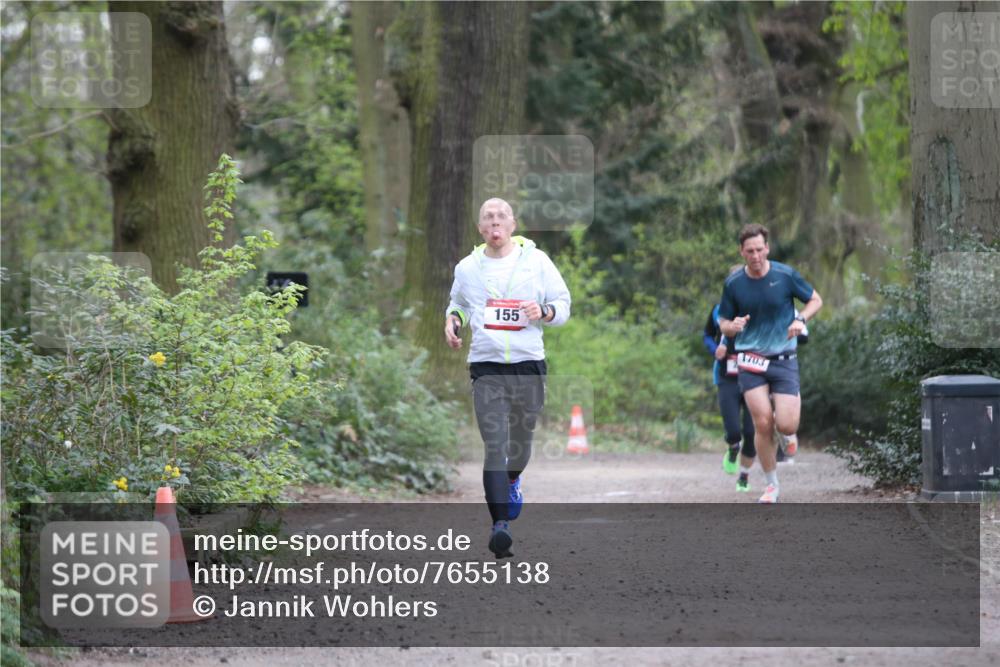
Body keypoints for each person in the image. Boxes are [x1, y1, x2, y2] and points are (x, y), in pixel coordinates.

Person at [445, 198, 571, 557]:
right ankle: (500, 526)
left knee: (519, 445)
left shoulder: (537, 261)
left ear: (513, 225)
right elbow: (458, 305)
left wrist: (543, 310)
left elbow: (563, 305)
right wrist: (452, 322)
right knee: (495, 447)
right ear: (480, 228)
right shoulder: (467, 268)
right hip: (486, 368)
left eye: (501, 216)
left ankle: (513, 479)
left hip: (528, 365)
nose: (495, 221)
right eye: (488, 217)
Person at [718, 223, 822, 504]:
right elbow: (723, 322)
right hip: (750, 360)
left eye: (759, 250)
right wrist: (732, 326)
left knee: (786, 425)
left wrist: (800, 320)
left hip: (783, 359)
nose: (755, 256)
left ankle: (788, 428)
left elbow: (815, 300)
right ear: (742, 252)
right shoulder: (734, 284)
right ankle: (771, 485)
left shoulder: (785, 275)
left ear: (767, 248)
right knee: (762, 422)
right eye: (749, 251)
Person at [703, 266, 756, 492]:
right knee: (733, 430)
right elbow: (707, 335)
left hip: (754, 375)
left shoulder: (759, 309)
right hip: (727, 377)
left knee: (752, 432)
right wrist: (715, 349)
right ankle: (733, 447)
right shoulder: (718, 310)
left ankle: (744, 476)